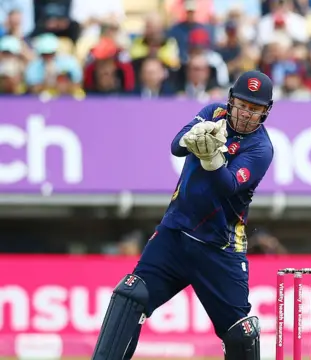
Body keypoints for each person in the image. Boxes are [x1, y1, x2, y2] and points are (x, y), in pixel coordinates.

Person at [90, 70, 275, 360]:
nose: (245, 113)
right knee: (130, 295)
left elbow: (228, 186)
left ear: (265, 112)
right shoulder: (213, 112)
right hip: (174, 235)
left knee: (240, 332)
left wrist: (212, 157)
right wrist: (194, 137)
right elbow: (176, 146)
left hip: (220, 249)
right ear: (231, 100)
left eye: (254, 109)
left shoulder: (261, 148)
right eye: (241, 104)